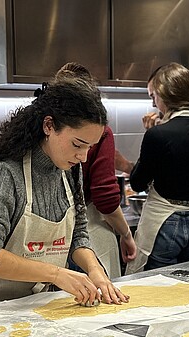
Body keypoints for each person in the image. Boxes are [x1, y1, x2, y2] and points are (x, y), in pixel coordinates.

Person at [0, 78, 130, 311]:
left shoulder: (70, 172)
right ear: (48, 126)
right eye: (77, 144)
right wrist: (55, 274)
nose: (83, 157)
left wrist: (95, 270)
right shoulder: (7, 173)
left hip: (31, 305)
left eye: (90, 147)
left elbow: (78, 235)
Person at [54, 63, 137, 279]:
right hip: (88, 238)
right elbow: (105, 196)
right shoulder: (100, 132)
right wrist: (126, 234)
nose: (82, 156)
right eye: (78, 146)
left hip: (50, 249)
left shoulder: (46, 129)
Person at [125, 63, 189, 274]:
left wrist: (151, 135)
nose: (154, 103)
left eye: (153, 96)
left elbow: (137, 182)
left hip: (164, 223)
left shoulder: (158, 135)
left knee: (156, 287)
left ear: (164, 94)